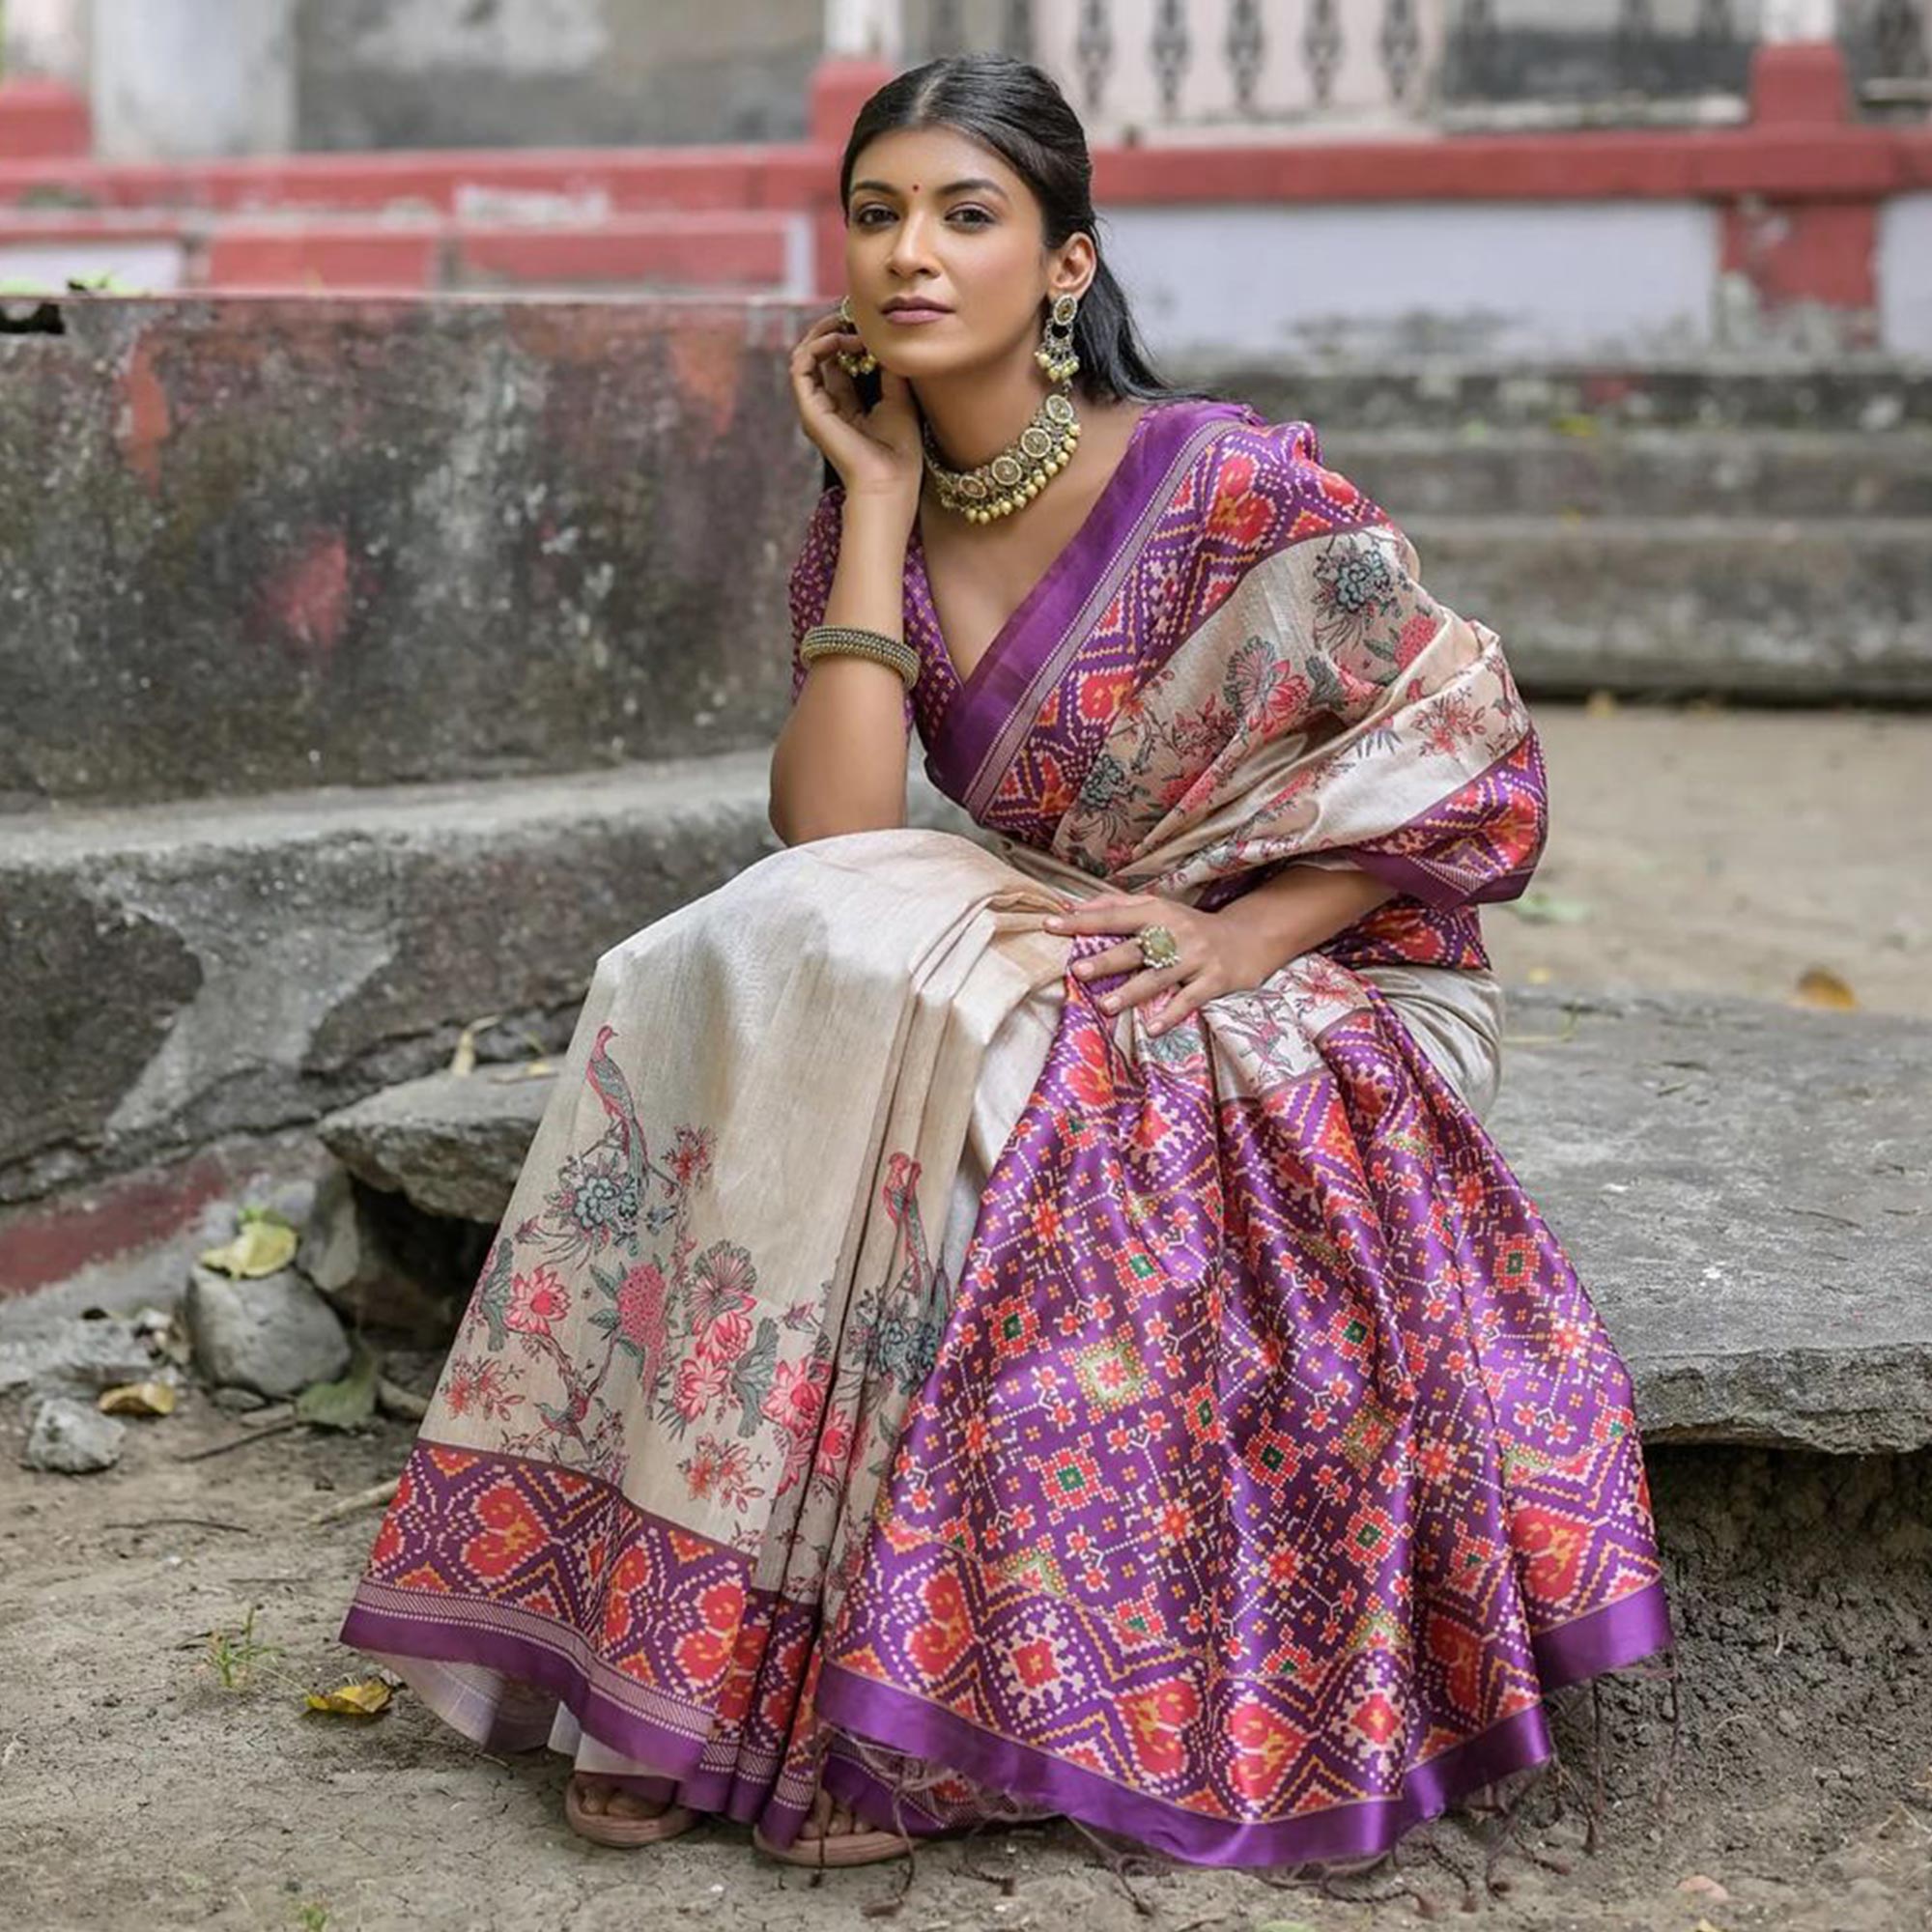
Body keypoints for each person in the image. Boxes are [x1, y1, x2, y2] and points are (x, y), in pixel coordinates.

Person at [338, 50, 1674, 1877]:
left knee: (924, 1052)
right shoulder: (866, 506)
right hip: (1055, 938)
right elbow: (834, 830)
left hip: (1317, 972)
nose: (912, 254)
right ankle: (677, 1650)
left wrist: (1229, 925)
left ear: (1066, 265)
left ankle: (889, 1722)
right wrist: (877, 500)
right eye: (877, 214)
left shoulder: (1220, 481)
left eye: (968, 216)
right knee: (726, 959)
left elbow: (1465, 748)